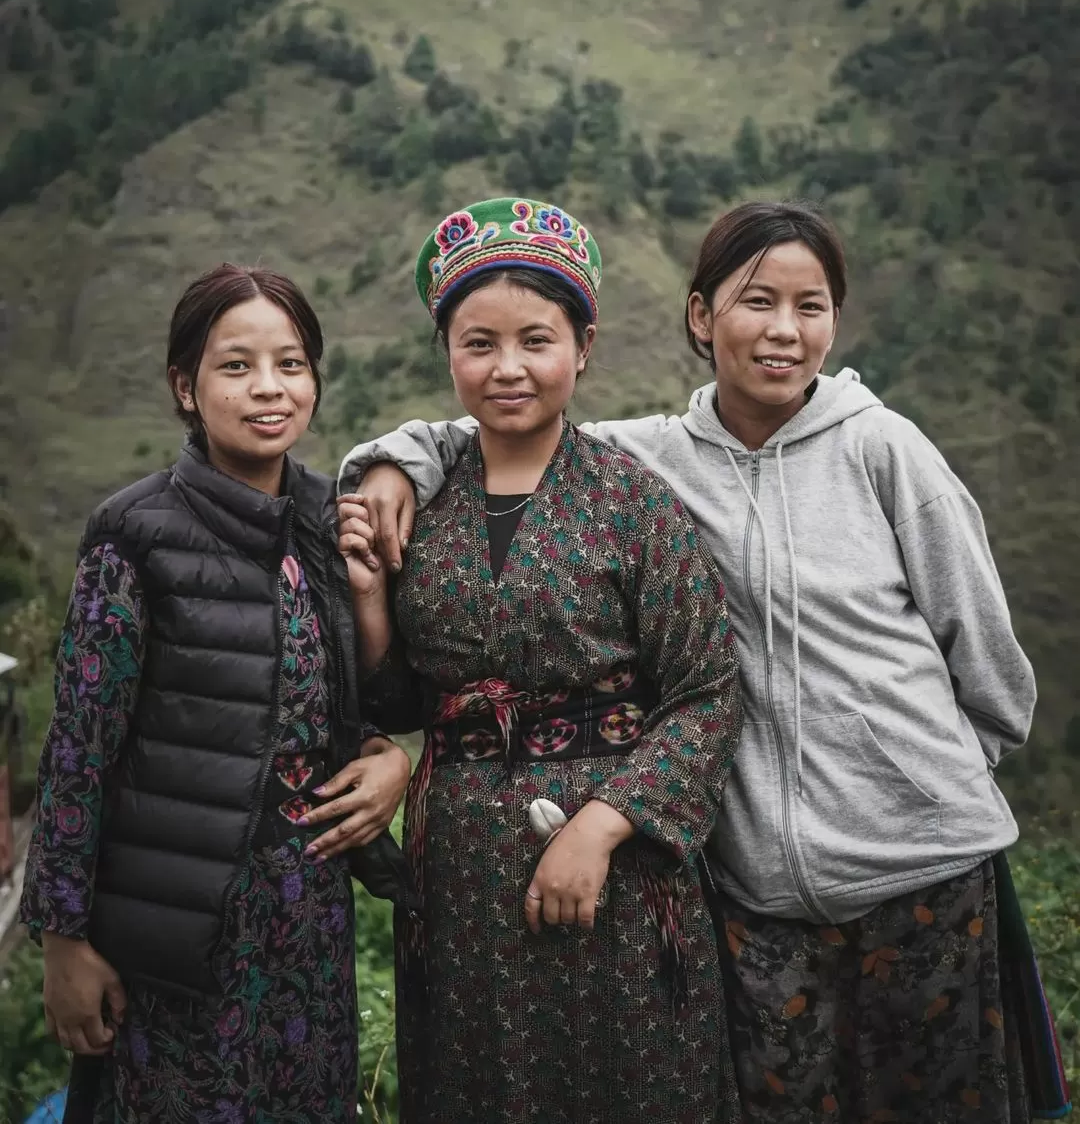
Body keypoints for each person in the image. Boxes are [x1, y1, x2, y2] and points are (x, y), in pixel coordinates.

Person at [339, 200, 1071, 1123]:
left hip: (919, 861)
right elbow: (495, 426)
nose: (783, 330)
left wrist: (932, 778)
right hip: (754, 878)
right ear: (699, 316)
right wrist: (389, 464)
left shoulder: (877, 450)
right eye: (756, 301)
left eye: (811, 307)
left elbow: (989, 665)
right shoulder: (657, 458)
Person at [336, 197, 745, 1123]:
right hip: (461, 878)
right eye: (479, 343)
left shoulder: (634, 502)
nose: (508, 367)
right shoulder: (421, 506)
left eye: (536, 340)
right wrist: (367, 594)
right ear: (448, 353)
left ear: (584, 346)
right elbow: (402, 697)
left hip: (618, 872)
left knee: (625, 1083)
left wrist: (599, 830)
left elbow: (707, 691)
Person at [20, 263, 414, 1124]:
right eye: (236, 366)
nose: (269, 388)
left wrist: (394, 766)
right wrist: (62, 941)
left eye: (292, 363)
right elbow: (80, 751)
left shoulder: (326, 516)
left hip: (307, 907)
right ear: (185, 387)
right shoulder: (136, 537)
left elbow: (370, 704)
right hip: (179, 922)